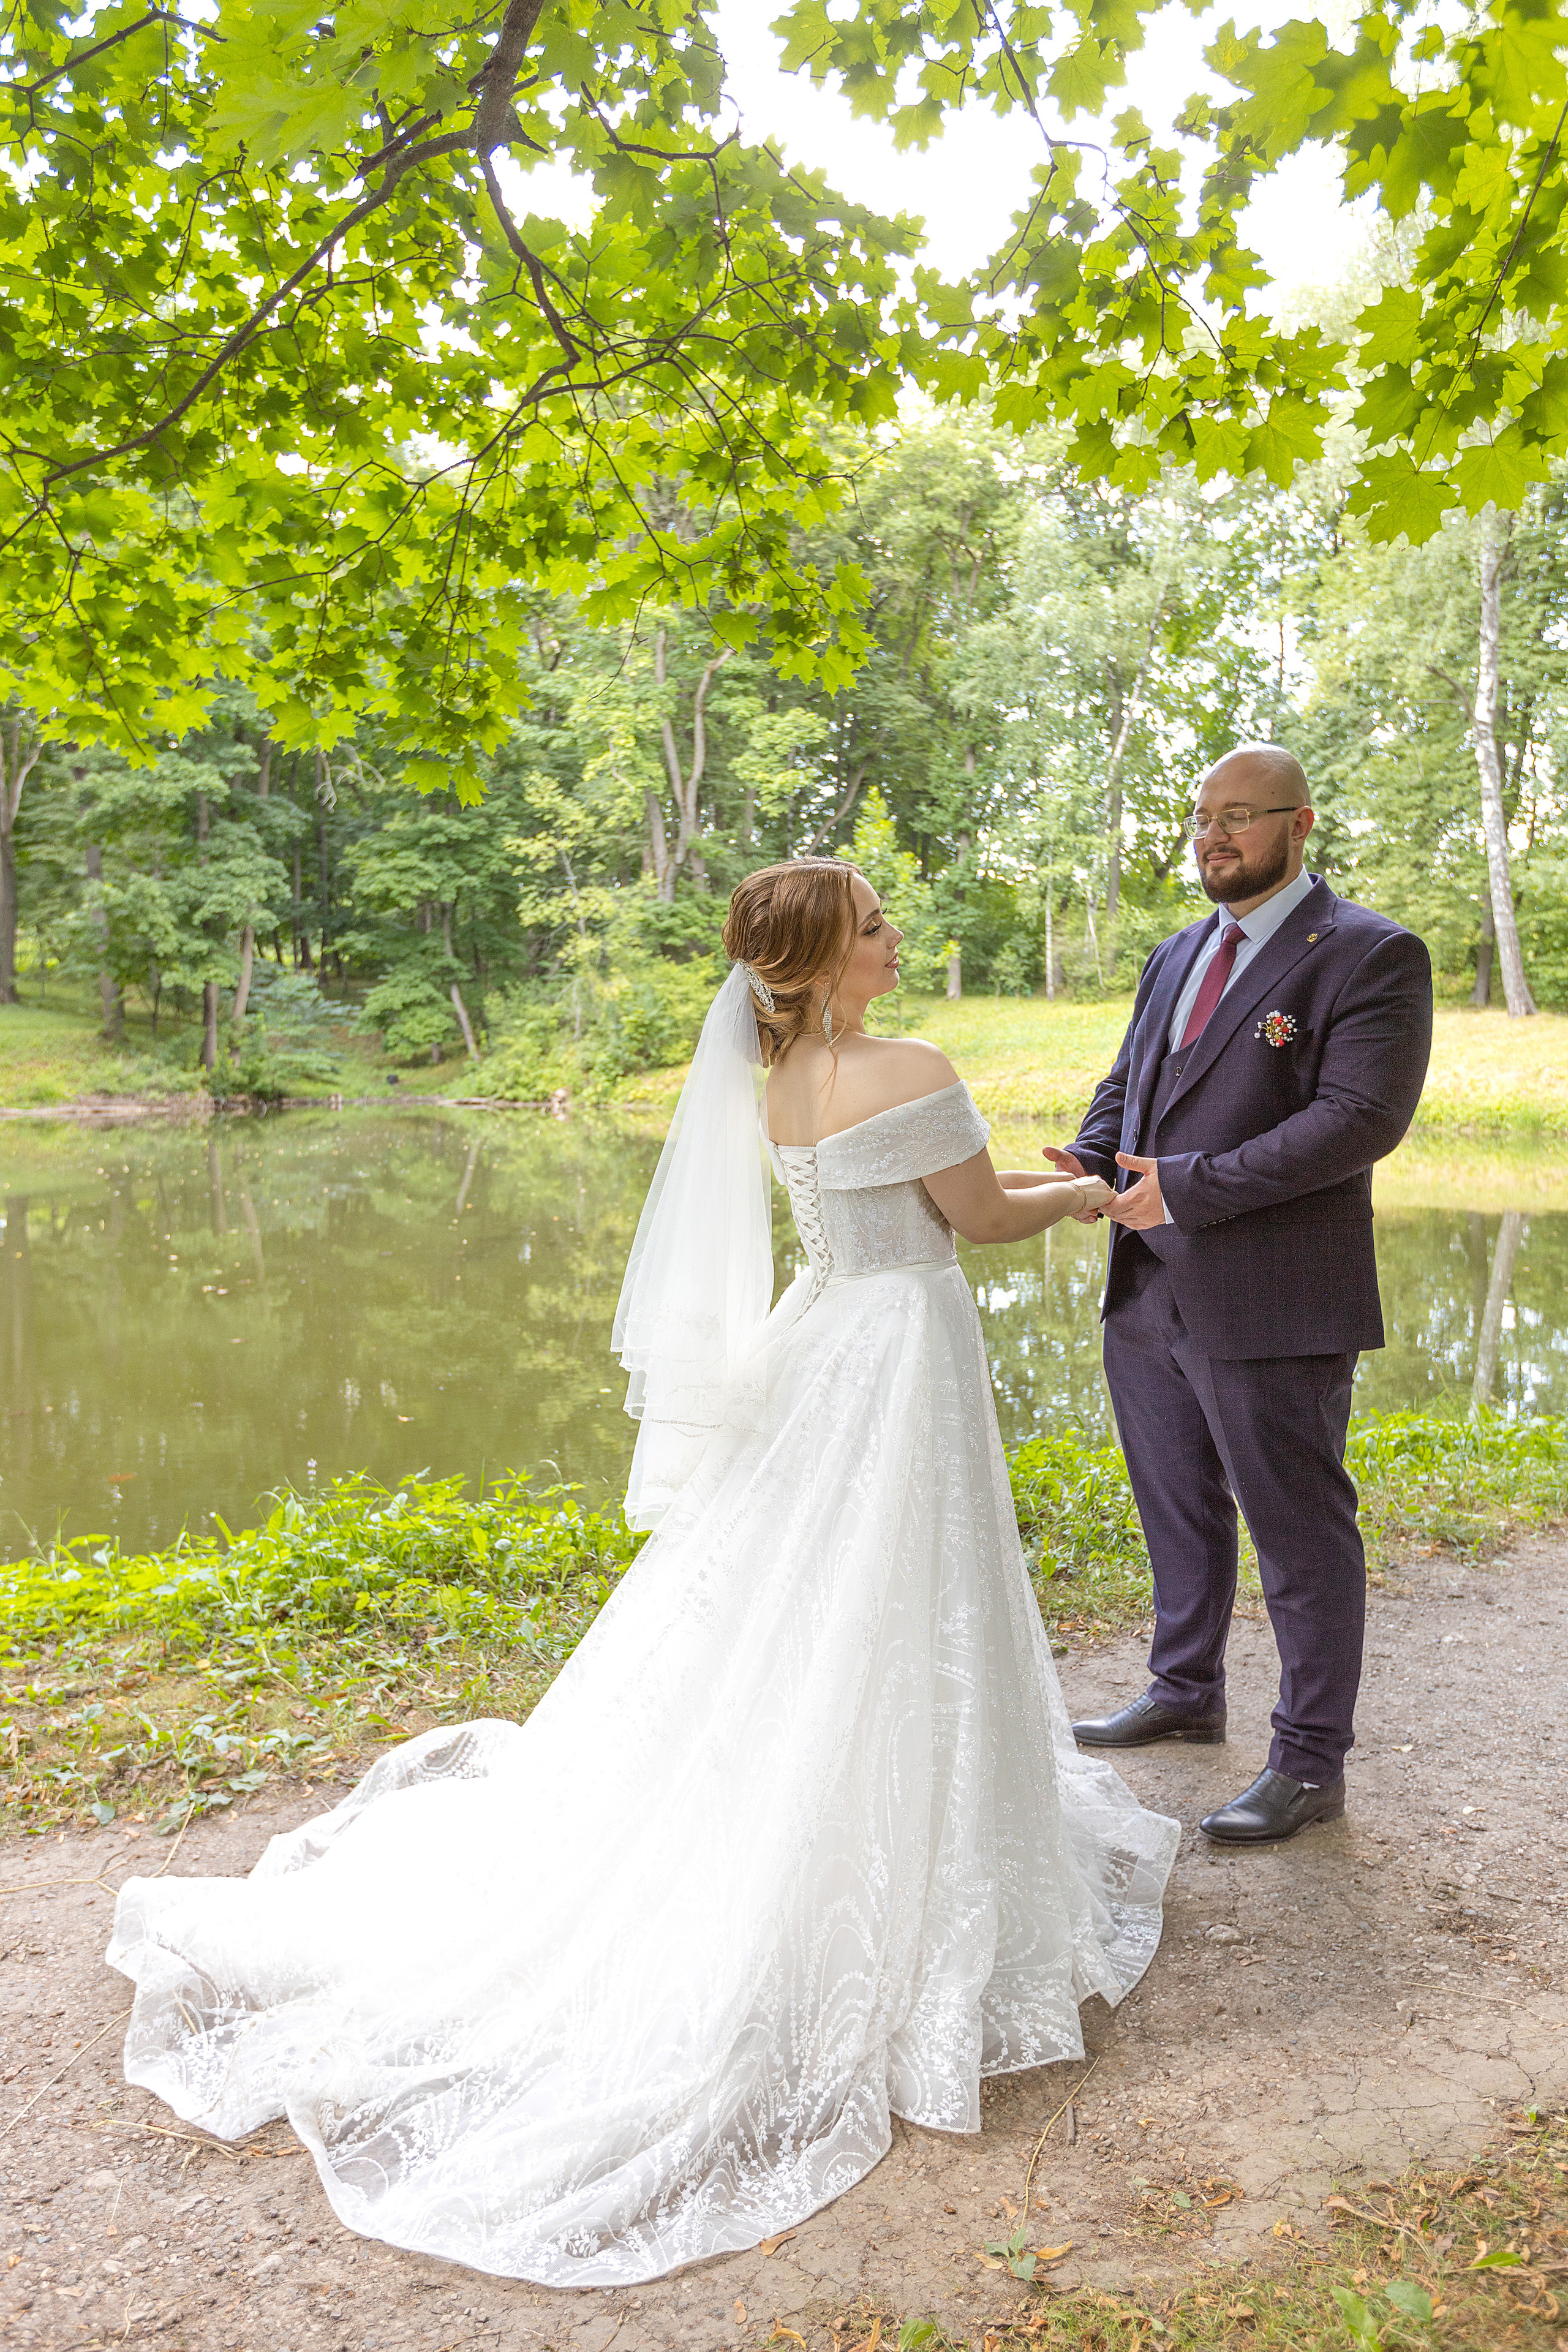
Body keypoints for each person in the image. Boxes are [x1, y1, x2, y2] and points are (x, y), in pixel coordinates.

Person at [107, 858, 1177, 2290]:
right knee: (894, 1601)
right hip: (897, 1355)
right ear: (820, 956)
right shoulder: (907, 1062)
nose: (894, 935)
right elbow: (975, 1221)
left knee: (798, 1614)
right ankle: (882, 1875)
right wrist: (1084, 1199)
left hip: (821, 1344)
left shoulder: (771, 1072)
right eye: (873, 924)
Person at [1047, 746, 1433, 1845]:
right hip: (1148, 1287)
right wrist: (1093, 1159)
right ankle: (1184, 1689)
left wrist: (1189, 1192)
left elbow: (1359, 1121)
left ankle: (1310, 1762)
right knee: (1175, 1502)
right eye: (1201, 817)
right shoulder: (1177, 951)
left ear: (1300, 824)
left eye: (1239, 818)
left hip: (1275, 1294)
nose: (1211, 837)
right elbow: (1135, 1082)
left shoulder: (1369, 954)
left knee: (1300, 1533)